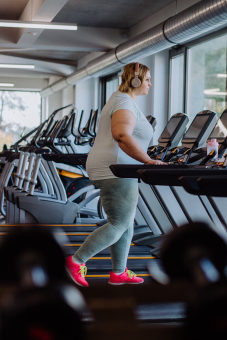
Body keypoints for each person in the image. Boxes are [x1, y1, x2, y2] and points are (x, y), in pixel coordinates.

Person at [66, 62, 166, 287]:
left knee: (125, 222)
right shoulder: (123, 101)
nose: (150, 84)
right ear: (137, 80)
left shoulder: (123, 100)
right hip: (116, 168)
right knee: (118, 222)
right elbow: (121, 134)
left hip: (117, 167)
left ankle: (119, 272)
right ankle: (76, 261)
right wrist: (148, 160)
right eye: (148, 79)